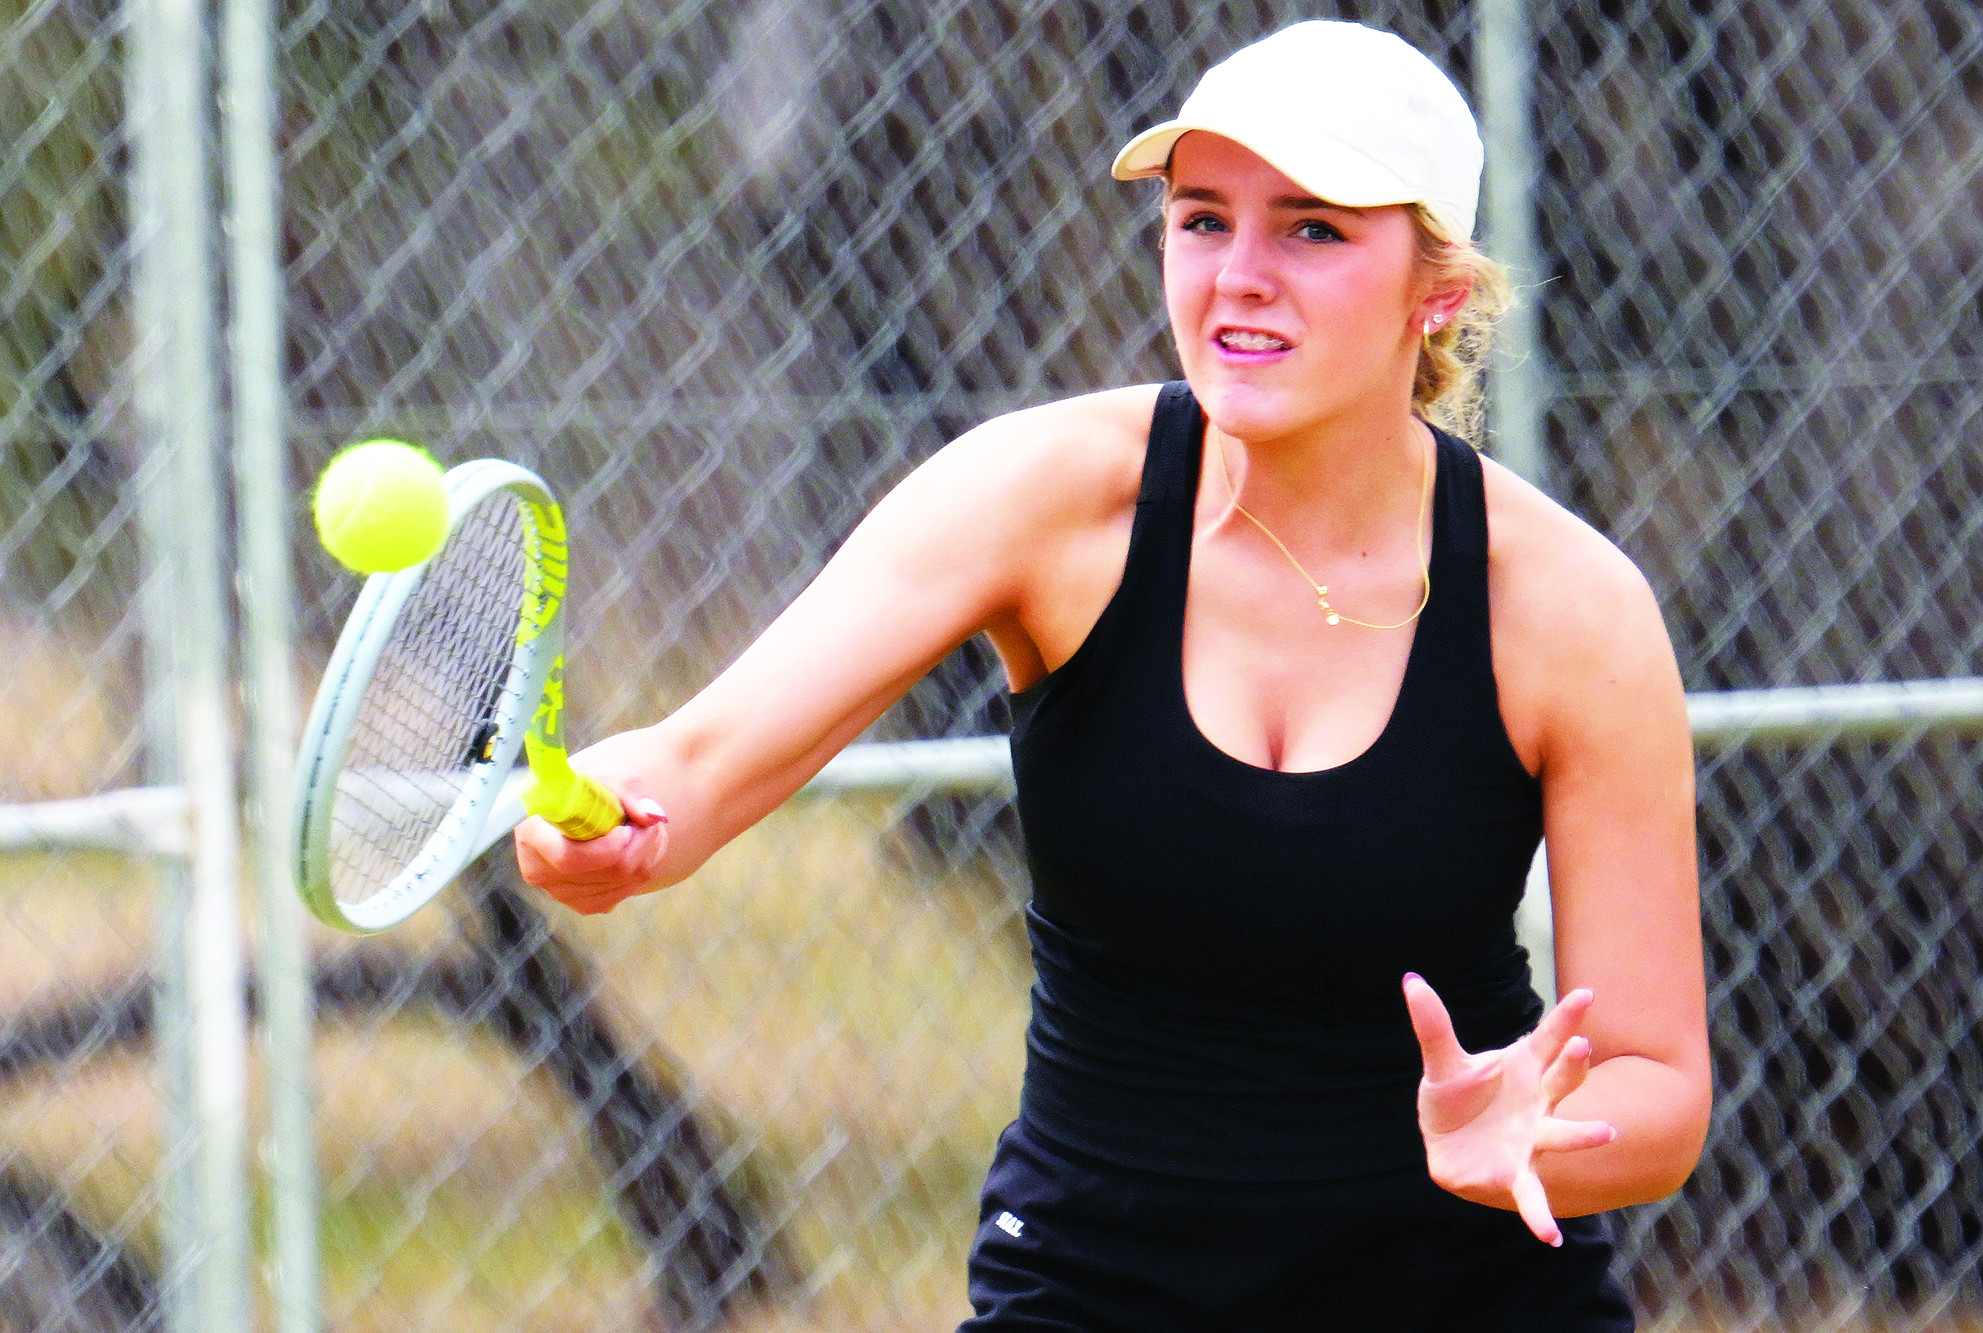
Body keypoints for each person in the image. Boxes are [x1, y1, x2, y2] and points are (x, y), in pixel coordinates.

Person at [517, 19, 1709, 1331]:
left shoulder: (1570, 609)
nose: (1240, 276)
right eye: (1203, 221)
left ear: (1437, 288)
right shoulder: (1041, 500)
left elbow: (1655, 1085)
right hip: (1093, 1287)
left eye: (1313, 229)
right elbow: (693, 764)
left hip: (1469, 1297)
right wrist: (614, 812)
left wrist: (1536, 1132)